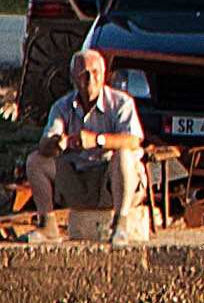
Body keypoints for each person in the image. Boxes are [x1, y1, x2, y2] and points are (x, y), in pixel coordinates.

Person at [21, 46, 145, 232]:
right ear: (73, 77)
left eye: (95, 72)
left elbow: (133, 140)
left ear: (104, 75)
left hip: (110, 181)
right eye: (83, 73)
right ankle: (47, 225)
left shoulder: (121, 102)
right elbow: (45, 144)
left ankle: (120, 224)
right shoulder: (61, 107)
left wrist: (97, 141)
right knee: (35, 160)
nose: (90, 79)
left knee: (124, 156)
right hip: (78, 179)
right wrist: (57, 143)